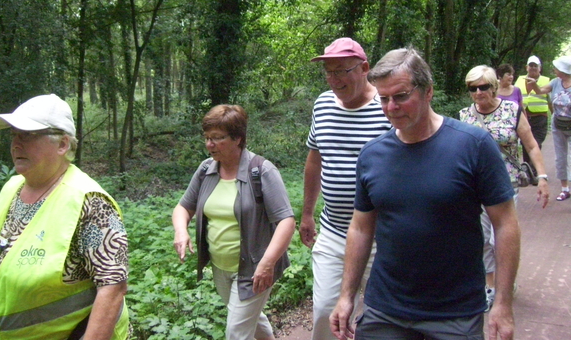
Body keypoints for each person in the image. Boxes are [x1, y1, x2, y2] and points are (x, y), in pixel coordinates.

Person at [330, 48, 520, 340]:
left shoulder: (473, 145)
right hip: (384, 310)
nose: (390, 107)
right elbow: (360, 227)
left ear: (428, 91)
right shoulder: (372, 155)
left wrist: (503, 305)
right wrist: (346, 296)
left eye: (401, 96)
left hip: (454, 313)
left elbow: (506, 224)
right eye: (383, 98)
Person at [0, 94, 130, 340]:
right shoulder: (12, 187)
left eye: (28, 135)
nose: (16, 144)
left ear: (62, 145)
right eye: (14, 134)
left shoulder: (89, 201)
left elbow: (113, 287)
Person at [172, 105, 295, 340]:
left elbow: (286, 221)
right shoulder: (206, 170)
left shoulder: (262, 170)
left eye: (217, 138)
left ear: (238, 138)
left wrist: (268, 264)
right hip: (221, 267)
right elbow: (183, 207)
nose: (209, 144)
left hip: (255, 267)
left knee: (236, 332)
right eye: (207, 138)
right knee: (253, 320)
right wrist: (181, 231)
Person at [299, 37, 391, 340]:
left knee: (381, 317)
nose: (334, 79)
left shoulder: (387, 107)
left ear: (364, 68)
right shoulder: (323, 103)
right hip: (335, 231)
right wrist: (307, 213)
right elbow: (315, 159)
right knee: (326, 310)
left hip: (382, 236)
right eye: (329, 72)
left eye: (342, 70)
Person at [459, 65, 549, 311]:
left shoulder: (512, 110)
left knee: (501, 239)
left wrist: (542, 177)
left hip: (505, 185)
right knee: (482, 239)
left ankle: (506, 282)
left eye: (484, 86)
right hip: (474, 187)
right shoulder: (464, 115)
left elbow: (530, 145)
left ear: (494, 86)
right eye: (473, 88)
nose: (478, 92)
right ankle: (490, 287)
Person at [525, 56, 571, 201]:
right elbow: (540, 91)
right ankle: (565, 189)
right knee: (560, 157)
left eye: (556, 68)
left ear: (563, 70)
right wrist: (534, 85)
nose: (554, 70)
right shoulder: (555, 82)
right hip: (558, 125)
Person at [514, 56, 550, 177]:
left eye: (536, 66)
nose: (533, 68)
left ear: (540, 68)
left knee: (536, 142)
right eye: (531, 65)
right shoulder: (519, 80)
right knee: (525, 143)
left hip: (540, 117)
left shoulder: (546, 80)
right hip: (524, 117)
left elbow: (550, 100)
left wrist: (554, 113)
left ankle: (533, 170)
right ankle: (528, 169)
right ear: (526, 67)